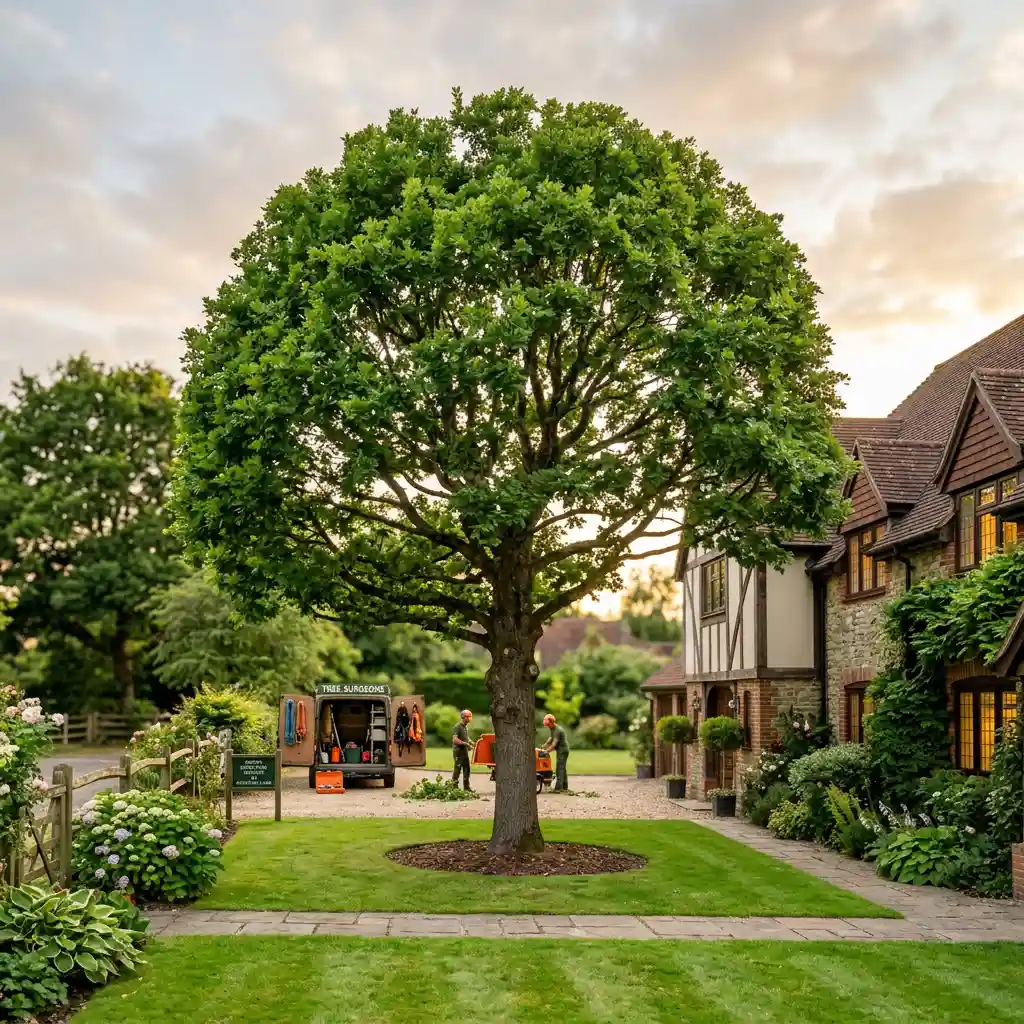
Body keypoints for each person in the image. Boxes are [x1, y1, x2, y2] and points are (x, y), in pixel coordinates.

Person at [541, 713, 570, 792]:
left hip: (563, 750)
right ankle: (564, 786)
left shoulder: (558, 730)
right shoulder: (553, 728)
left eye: (548, 724)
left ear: (551, 722)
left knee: (559, 768)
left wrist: (546, 751)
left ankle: (558, 788)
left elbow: (554, 744)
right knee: (563, 768)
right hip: (560, 749)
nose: (547, 726)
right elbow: (551, 738)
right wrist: (544, 745)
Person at [451, 709, 474, 791]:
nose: (470, 718)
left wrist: (472, 743)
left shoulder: (465, 727)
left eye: (470, 717)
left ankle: (466, 787)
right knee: (457, 768)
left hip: (464, 751)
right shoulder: (457, 727)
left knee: (467, 769)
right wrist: (466, 744)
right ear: (463, 717)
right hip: (458, 751)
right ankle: (454, 786)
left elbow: (466, 737)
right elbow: (455, 740)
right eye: (468, 717)